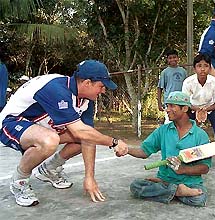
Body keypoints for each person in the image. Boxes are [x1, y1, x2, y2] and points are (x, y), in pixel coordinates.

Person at [0, 60, 128, 207]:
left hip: (42, 129)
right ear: (87, 83)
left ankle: (49, 169)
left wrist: (89, 177)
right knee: (50, 140)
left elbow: (87, 135)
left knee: (84, 138)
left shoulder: (86, 100)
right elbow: (79, 131)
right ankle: (19, 181)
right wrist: (114, 142)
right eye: (101, 86)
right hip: (11, 123)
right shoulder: (56, 88)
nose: (103, 91)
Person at [128, 91, 211, 207]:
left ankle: (167, 191)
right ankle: (177, 191)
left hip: (190, 183)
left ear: (185, 109)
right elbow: (144, 152)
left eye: (172, 106)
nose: (167, 109)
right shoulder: (162, 130)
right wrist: (126, 149)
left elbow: (205, 167)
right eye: (167, 106)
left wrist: (182, 169)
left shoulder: (200, 135)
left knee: (199, 199)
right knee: (136, 186)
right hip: (165, 180)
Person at [157, 49, 187, 124]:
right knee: (169, 121)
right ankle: (167, 134)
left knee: (181, 120)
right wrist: (159, 103)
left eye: (174, 57)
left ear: (178, 58)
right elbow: (160, 88)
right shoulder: (165, 72)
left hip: (181, 100)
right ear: (167, 60)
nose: (173, 59)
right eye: (170, 58)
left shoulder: (183, 71)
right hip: (170, 100)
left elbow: (187, 86)